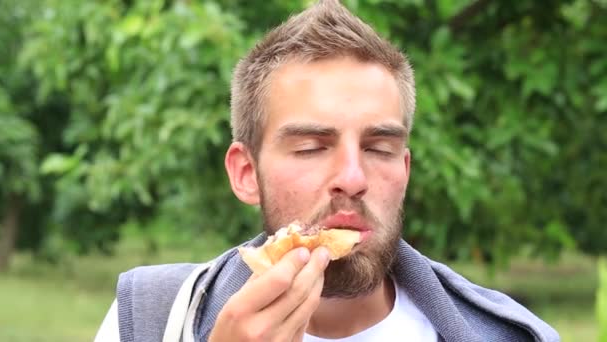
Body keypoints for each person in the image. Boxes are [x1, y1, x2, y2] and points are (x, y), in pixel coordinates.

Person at [96, 1, 560, 341]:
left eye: (379, 148)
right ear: (244, 173)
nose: (353, 177)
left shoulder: (513, 335)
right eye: (312, 147)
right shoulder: (150, 317)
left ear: (405, 170)